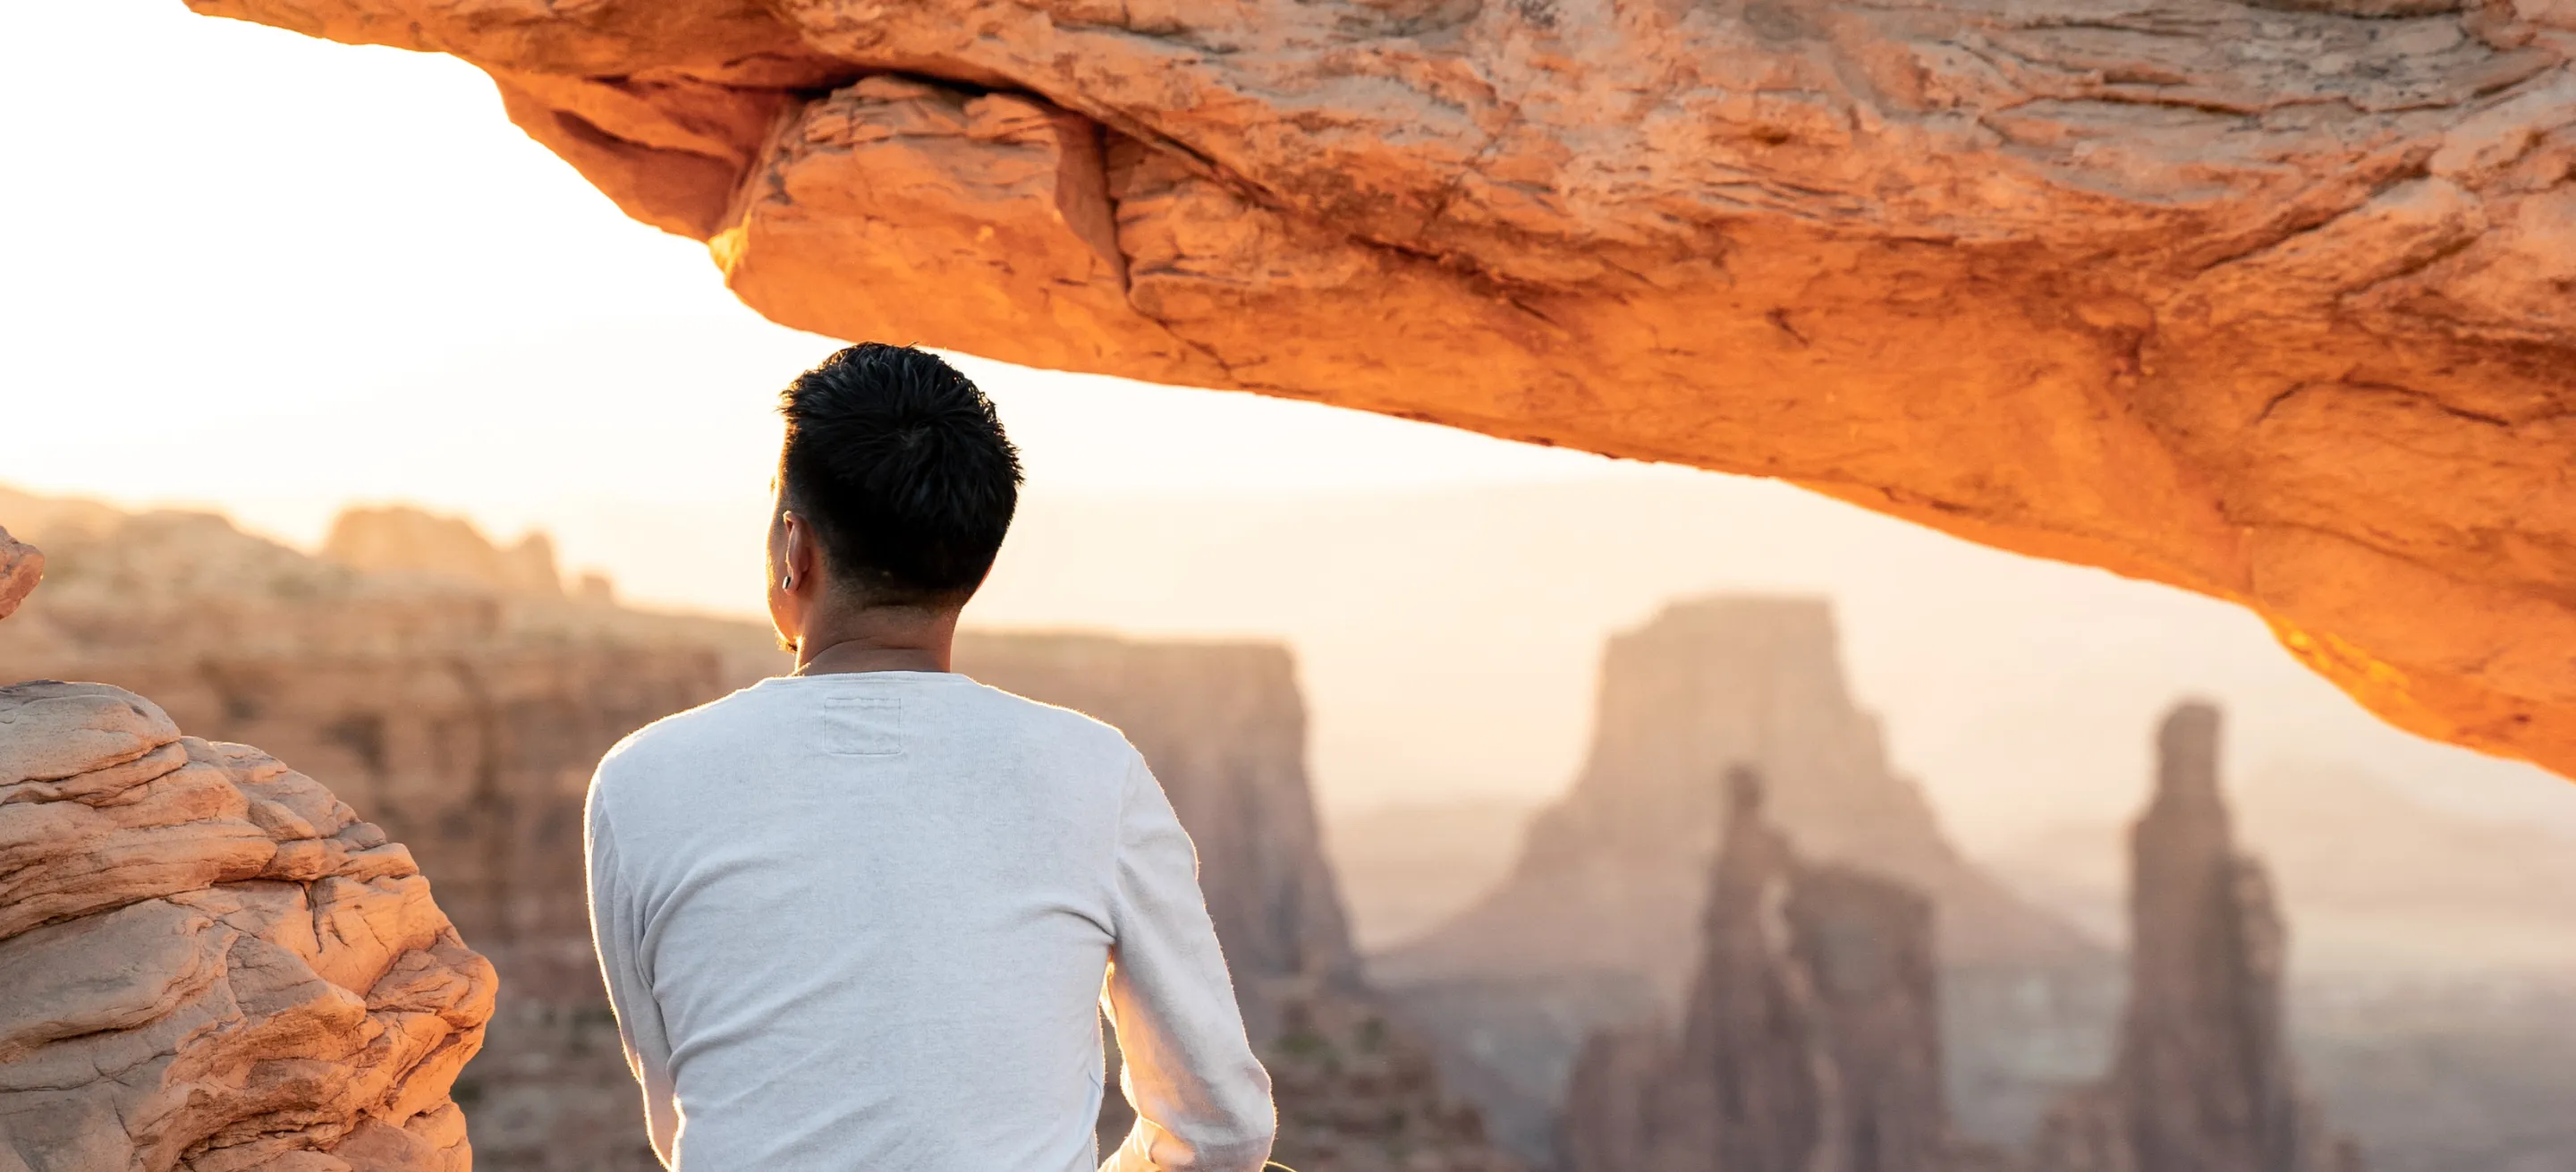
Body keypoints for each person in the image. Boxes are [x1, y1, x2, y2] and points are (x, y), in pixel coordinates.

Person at [582, 344, 1277, 1170]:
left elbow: (684, 1121)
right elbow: (1222, 1128)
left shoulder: (637, 782)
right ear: (976, 565)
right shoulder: (1095, 775)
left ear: (792, 548)